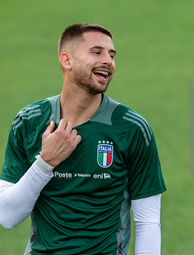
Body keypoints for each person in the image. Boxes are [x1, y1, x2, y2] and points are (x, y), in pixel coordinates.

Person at [0, 23, 166, 255]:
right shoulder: (29, 121)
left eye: (112, 54)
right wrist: (45, 162)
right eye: (97, 52)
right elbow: (7, 217)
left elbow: (148, 221)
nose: (108, 60)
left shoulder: (132, 128)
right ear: (67, 60)